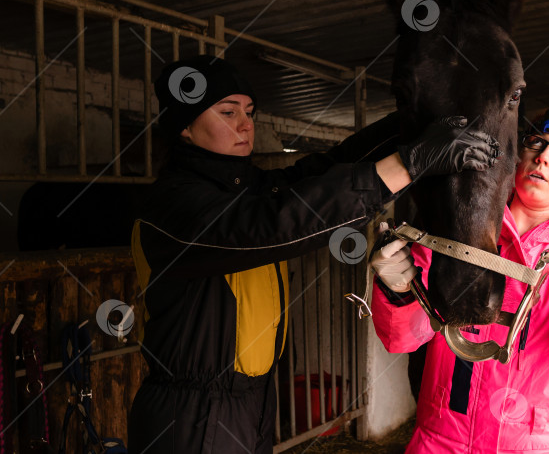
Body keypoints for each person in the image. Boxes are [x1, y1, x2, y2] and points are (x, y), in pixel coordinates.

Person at [127, 55, 501, 454]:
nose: (245, 124)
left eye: (249, 111)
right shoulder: (170, 207)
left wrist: (411, 123)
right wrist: (408, 164)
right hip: (188, 416)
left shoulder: (247, 188)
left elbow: (324, 169)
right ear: (184, 126)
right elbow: (277, 223)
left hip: (252, 401)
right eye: (227, 112)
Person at [370, 88, 549, 454]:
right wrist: (397, 289)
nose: (543, 158)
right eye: (535, 144)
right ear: (517, 154)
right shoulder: (459, 232)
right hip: (444, 440)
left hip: (541, 445)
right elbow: (403, 339)